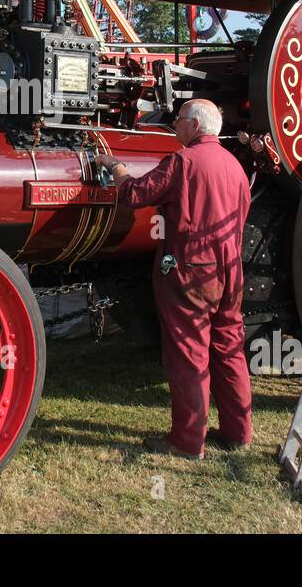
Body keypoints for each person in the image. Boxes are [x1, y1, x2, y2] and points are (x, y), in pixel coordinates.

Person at [98, 99, 253, 459]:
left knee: (189, 354)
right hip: (231, 270)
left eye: (179, 120)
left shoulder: (183, 162)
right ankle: (238, 432)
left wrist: (117, 167)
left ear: (195, 126)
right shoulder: (235, 165)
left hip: (191, 271)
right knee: (229, 348)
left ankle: (186, 441)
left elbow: (135, 194)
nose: (175, 126)